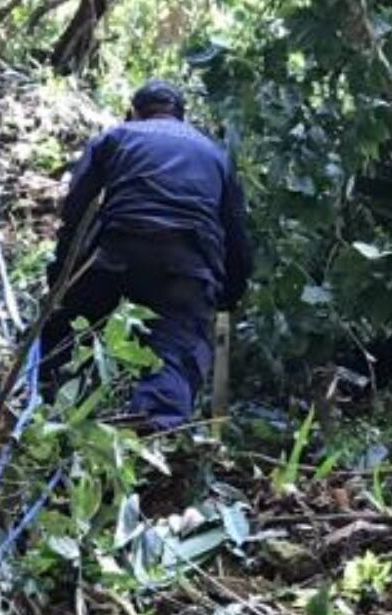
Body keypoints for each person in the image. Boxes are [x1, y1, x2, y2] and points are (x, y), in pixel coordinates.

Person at [39, 79, 252, 431]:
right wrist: (228, 294)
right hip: (187, 267)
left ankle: (54, 420)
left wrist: (62, 277)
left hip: (117, 254)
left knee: (71, 333)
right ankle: (151, 441)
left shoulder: (116, 136)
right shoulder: (216, 154)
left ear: (134, 112)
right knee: (175, 351)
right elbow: (236, 235)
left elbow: (75, 210)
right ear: (181, 117)